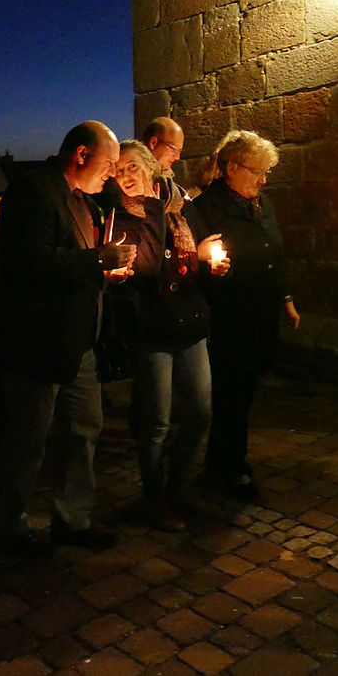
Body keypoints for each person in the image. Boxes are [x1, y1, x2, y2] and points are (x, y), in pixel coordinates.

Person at [0, 120, 136, 554]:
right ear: (80, 155)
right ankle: (9, 526)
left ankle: (72, 519)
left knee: (83, 430)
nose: (112, 173)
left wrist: (105, 269)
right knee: (28, 438)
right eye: (108, 163)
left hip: (78, 343)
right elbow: (29, 263)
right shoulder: (33, 191)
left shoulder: (79, 198)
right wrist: (98, 260)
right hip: (36, 343)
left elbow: (75, 262)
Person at [110, 140, 229, 531]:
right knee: (156, 421)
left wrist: (211, 264)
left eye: (131, 167)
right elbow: (138, 269)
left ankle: (180, 486)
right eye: (117, 170)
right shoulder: (119, 216)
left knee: (200, 412)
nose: (124, 176)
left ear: (149, 165)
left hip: (191, 322)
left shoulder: (182, 204)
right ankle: (155, 498)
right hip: (152, 328)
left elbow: (199, 249)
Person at [193, 130, 300, 501]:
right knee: (230, 395)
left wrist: (285, 298)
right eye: (257, 171)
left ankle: (230, 458)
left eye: (266, 172)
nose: (263, 179)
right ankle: (225, 467)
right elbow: (197, 266)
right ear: (232, 167)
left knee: (245, 392)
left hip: (261, 314)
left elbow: (275, 251)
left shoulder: (261, 205)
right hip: (230, 319)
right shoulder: (206, 209)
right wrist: (213, 270)